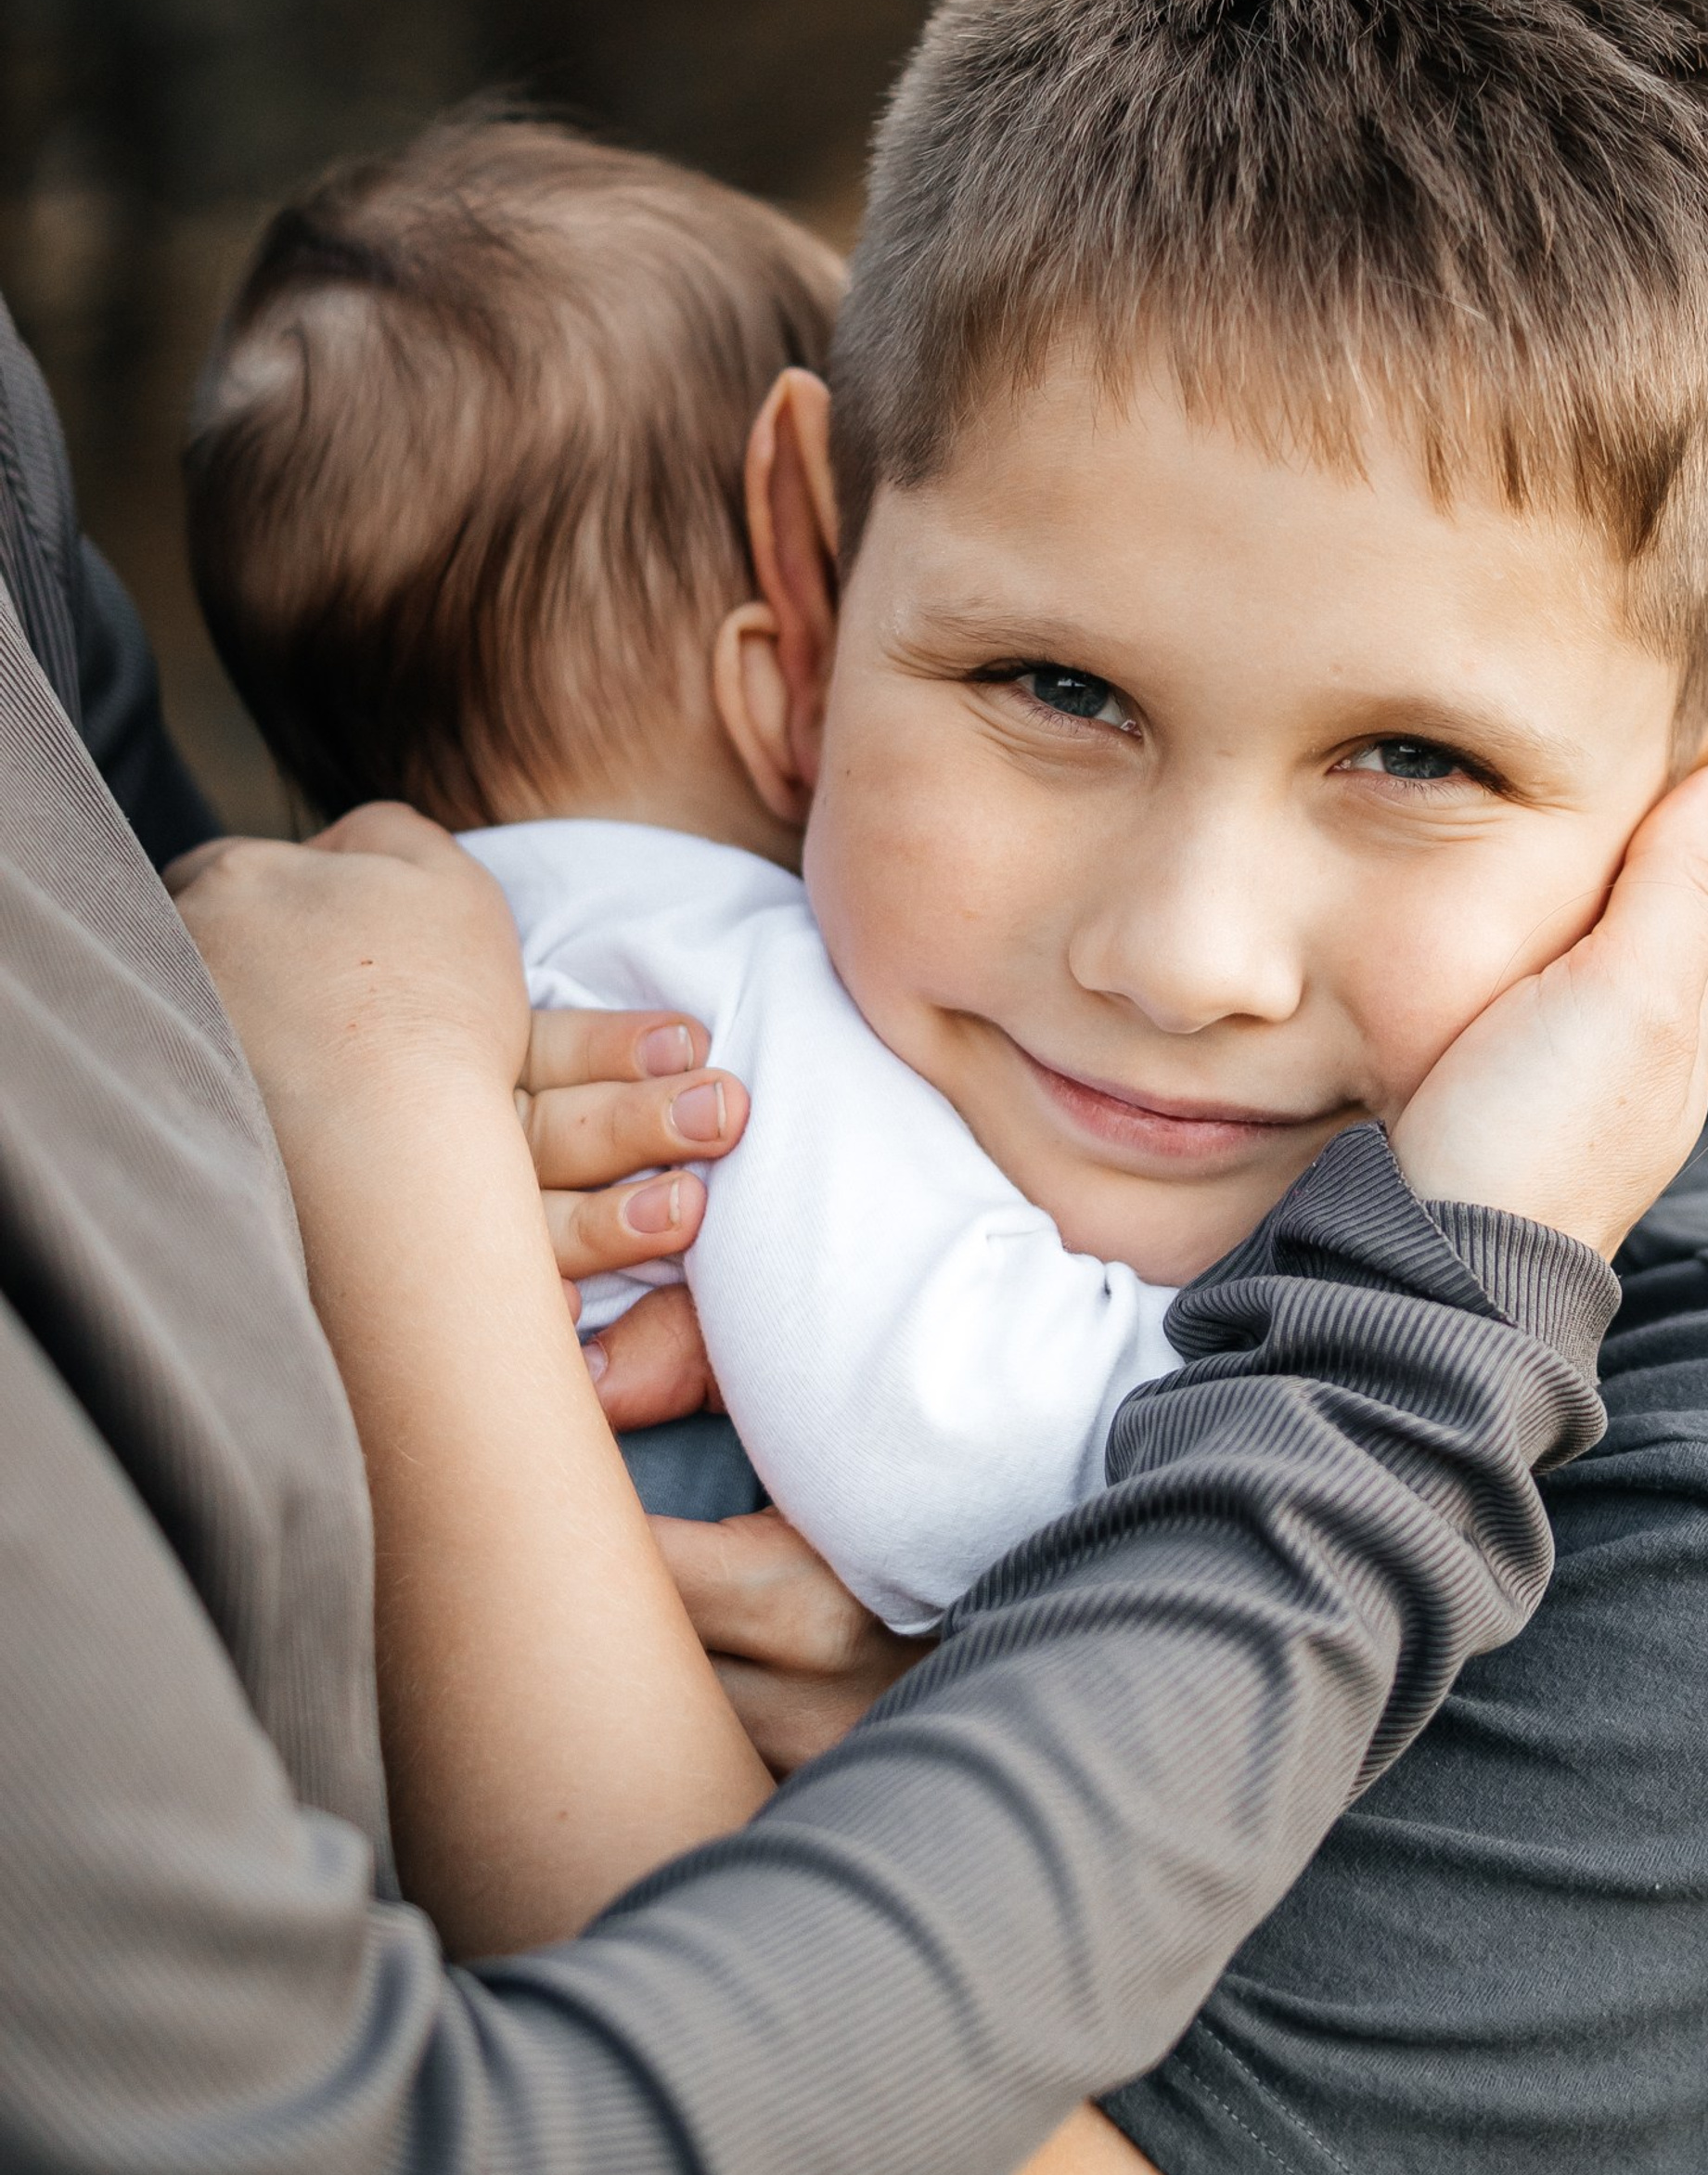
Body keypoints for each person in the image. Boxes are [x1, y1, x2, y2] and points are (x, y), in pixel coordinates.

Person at [166, 0, 1708, 2175]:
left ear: (1701, 805)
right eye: (1053, 688)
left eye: (1414, 754)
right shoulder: (687, 1117)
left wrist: (378, 1144)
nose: (1180, 953)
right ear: (806, 593)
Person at [184, 113, 1187, 1634]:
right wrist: (1305, 1354)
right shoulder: (706, 974)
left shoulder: (431, 958)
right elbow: (971, 1467)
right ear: (786, 663)